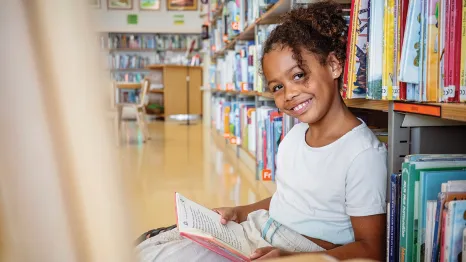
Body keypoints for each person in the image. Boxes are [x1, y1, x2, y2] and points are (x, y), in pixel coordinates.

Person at [136, 1, 387, 261]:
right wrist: (239, 211)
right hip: (261, 230)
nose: (289, 94)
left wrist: (289, 257)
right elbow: (286, 201)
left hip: (298, 250)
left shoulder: (361, 154)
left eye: (299, 75)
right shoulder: (294, 138)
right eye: (277, 87)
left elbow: (371, 249)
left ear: (333, 65)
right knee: (150, 250)